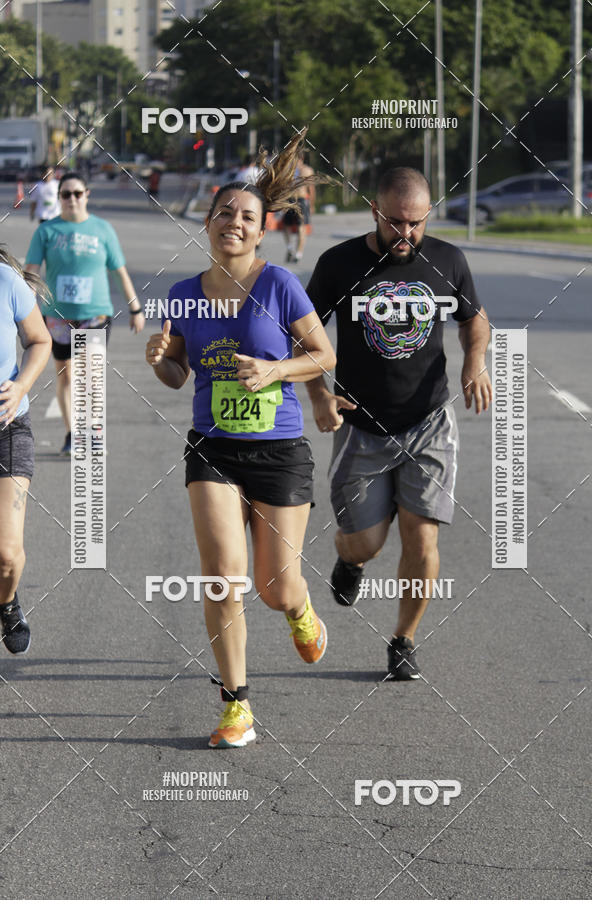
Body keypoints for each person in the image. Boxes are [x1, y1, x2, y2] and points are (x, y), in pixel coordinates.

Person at [146, 132, 336, 749]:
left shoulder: (279, 284)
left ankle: (300, 608)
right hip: (213, 448)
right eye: (225, 212)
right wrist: (158, 360)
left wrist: (275, 370)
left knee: (275, 586)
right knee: (222, 578)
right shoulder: (183, 297)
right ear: (207, 222)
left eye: (247, 217)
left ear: (260, 233)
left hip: (279, 449)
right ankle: (237, 705)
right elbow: (178, 377)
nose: (234, 221)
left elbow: (322, 354)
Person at [306, 167, 492, 680]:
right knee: (366, 541)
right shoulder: (339, 263)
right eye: (395, 223)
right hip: (360, 427)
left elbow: (475, 320)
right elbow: (302, 335)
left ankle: (404, 639)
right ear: (375, 211)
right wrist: (319, 393)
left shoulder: (449, 260)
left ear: (428, 215)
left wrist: (473, 364)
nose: (406, 234)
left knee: (422, 537)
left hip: (428, 422)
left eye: (416, 222)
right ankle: (351, 561)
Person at [24, 171, 145, 455]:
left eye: (78, 193)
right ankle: (71, 433)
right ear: (59, 198)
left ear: (87, 195)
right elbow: (31, 274)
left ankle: (91, 433)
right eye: (66, 194)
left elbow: (119, 271)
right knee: (65, 376)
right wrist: (22, 312)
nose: (72, 199)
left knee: (87, 374)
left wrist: (135, 307)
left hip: (96, 314)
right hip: (57, 316)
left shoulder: (102, 230)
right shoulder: (46, 231)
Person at [0, 248, 52, 654]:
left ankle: (7, 602)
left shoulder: (6, 280)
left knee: (6, 552)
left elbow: (39, 339)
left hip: (7, 428)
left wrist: (20, 387)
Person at [282, 150, 315, 263]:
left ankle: (298, 253)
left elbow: (311, 189)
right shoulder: (288, 170)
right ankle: (291, 248)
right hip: (290, 199)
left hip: (301, 200)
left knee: (301, 227)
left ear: (300, 158)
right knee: (286, 226)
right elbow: (284, 187)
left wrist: (311, 204)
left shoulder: (306, 170)